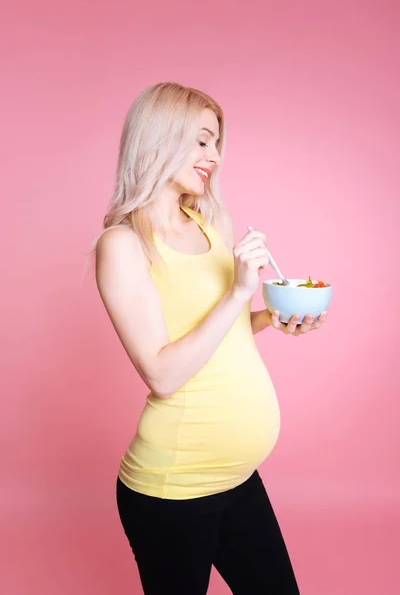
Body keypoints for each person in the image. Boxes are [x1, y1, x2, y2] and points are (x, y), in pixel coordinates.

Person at [94, 82, 327, 594]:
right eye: (202, 141)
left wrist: (268, 317)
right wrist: (238, 292)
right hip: (175, 486)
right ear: (161, 137)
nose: (214, 157)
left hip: (235, 477)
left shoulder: (203, 223)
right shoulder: (123, 244)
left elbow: (216, 335)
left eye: (216, 143)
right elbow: (162, 373)